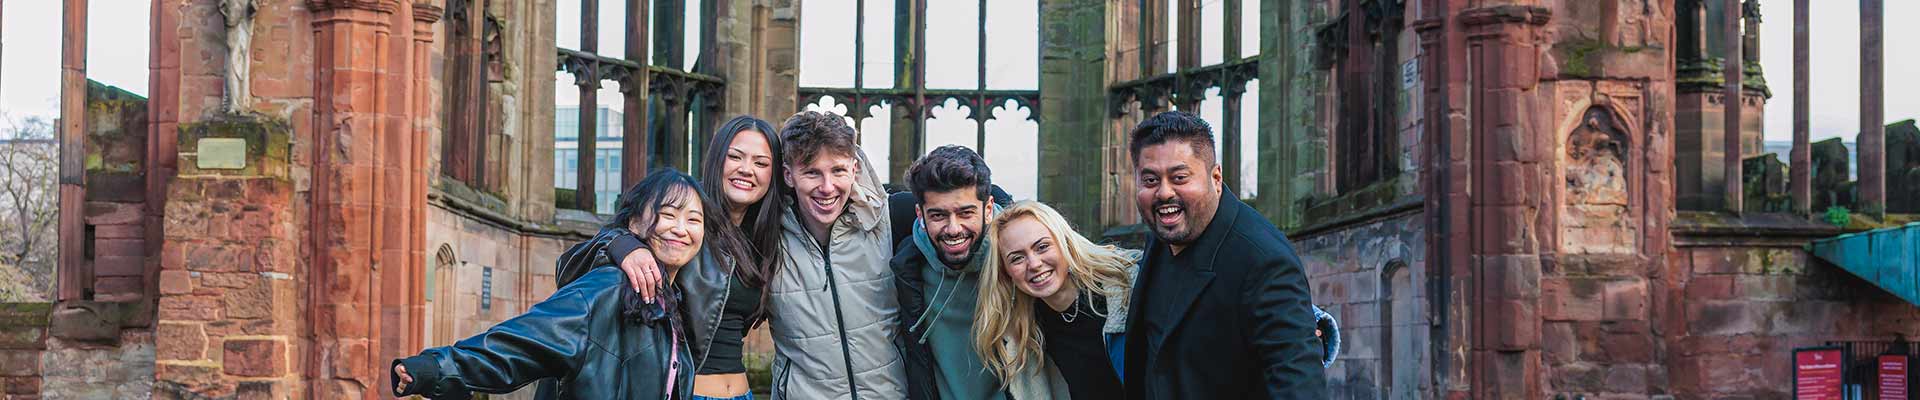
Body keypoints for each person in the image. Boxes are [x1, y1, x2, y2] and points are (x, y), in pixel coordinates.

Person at [390, 169, 750, 400]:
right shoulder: (607, 288)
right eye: (667, 214)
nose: (681, 228)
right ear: (636, 224)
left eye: (693, 219)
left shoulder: (671, 301)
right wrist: (435, 367)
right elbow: (523, 341)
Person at [1121, 111, 1325, 398]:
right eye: (1151, 180)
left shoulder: (1264, 261)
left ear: (1215, 177)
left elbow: (1299, 388)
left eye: (1179, 177)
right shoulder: (1164, 232)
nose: (1164, 193)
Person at [588, 116, 787, 400]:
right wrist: (625, 247)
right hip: (689, 393)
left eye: (761, 163)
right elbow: (610, 236)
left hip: (743, 395)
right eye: (735, 156)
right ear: (717, 159)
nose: (746, 169)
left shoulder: (762, 238)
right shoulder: (685, 226)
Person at [891, 146, 1061, 400]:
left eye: (965, 213)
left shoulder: (1022, 258)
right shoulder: (906, 266)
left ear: (988, 208)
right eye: (938, 215)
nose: (953, 228)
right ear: (920, 214)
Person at [765, 111, 907, 400]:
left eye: (838, 171)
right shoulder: (765, 235)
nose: (827, 187)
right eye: (812, 172)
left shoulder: (894, 218)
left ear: (854, 169)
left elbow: (969, 205)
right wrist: (642, 247)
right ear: (788, 175)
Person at [974, 201, 1132, 400]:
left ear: (1064, 242)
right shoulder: (1026, 330)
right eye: (1017, 258)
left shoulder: (1124, 291)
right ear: (1006, 273)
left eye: (1042, 247)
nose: (1034, 264)